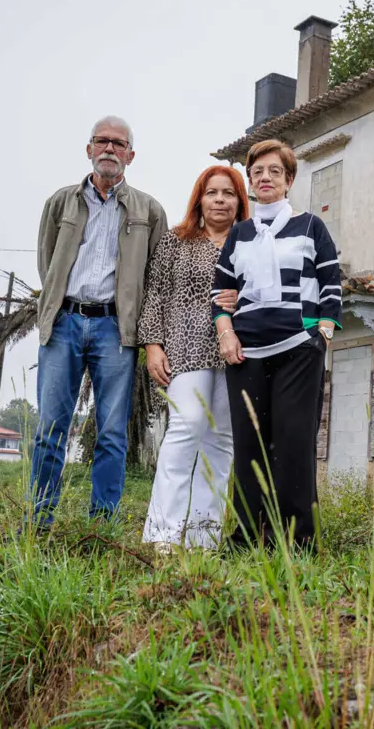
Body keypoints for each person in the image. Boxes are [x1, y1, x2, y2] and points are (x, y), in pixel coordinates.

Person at [29, 116, 167, 530]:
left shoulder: (148, 210)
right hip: (65, 322)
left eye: (118, 143)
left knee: (110, 432)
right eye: (101, 141)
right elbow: (47, 260)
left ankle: (101, 525)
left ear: (131, 155)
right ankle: (39, 520)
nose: (109, 149)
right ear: (89, 149)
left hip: (115, 330)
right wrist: (57, 304)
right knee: (50, 427)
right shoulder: (61, 202)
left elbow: (155, 274)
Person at [212, 139, 340, 550]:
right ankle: (249, 536)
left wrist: (320, 332)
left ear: (288, 180)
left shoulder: (310, 227)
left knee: (293, 442)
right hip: (246, 353)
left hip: (297, 350)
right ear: (250, 181)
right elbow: (221, 291)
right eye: (258, 172)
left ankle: (299, 539)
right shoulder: (239, 234)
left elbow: (330, 283)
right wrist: (226, 333)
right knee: (250, 446)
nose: (265, 178)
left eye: (274, 171)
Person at [139, 166, 250, 551]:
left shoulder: (249, 242)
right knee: (185, 430)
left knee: (221, 441)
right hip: (186, 348)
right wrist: (153, 345)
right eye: (212, 193)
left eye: (229, 193)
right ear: (199, 199)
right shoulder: (176, 241)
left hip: (237, 350)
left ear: (239, 201)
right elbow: (154, 294)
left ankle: (204, 539)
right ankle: (163, 535)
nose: (220, 200)